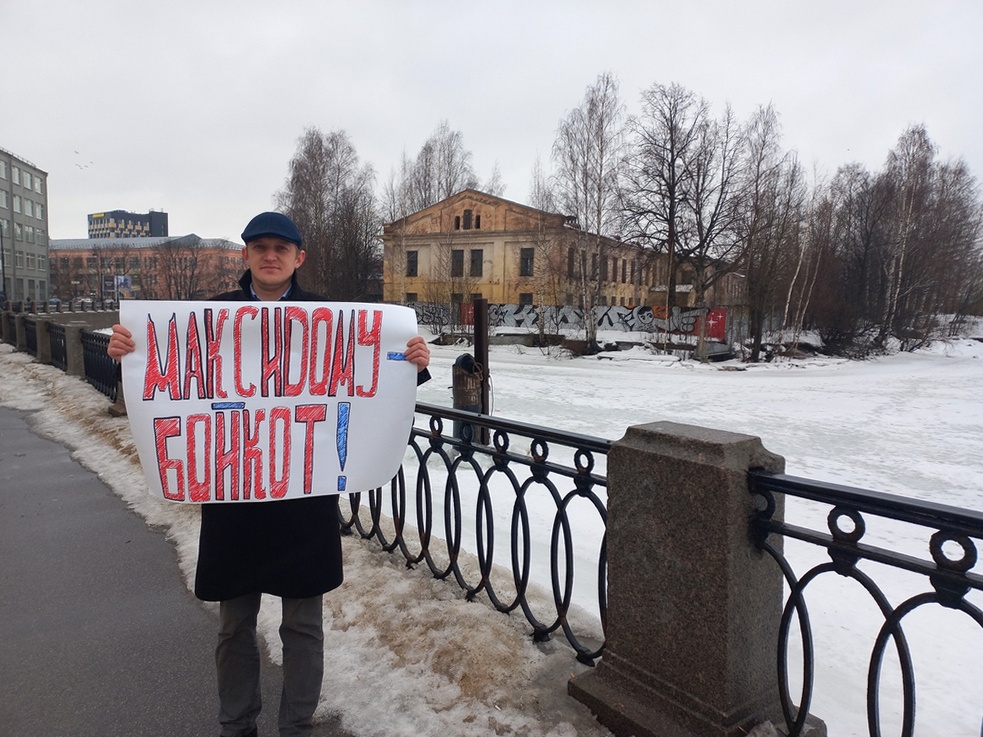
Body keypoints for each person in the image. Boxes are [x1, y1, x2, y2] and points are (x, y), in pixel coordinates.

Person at [107, 211, 431, 737]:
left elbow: (372, 380)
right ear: (246, 256)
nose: (271, 256)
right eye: (260, 247)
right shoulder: (210, 317)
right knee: (234, 625)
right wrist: (128, 355)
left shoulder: (331, 318)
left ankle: (296, 726)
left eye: (281, 248)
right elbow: (168, 377)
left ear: (299, 257)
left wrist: (412, 360)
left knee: (303, 625)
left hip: (303, 500)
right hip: (235, 499)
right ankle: (237, 724)